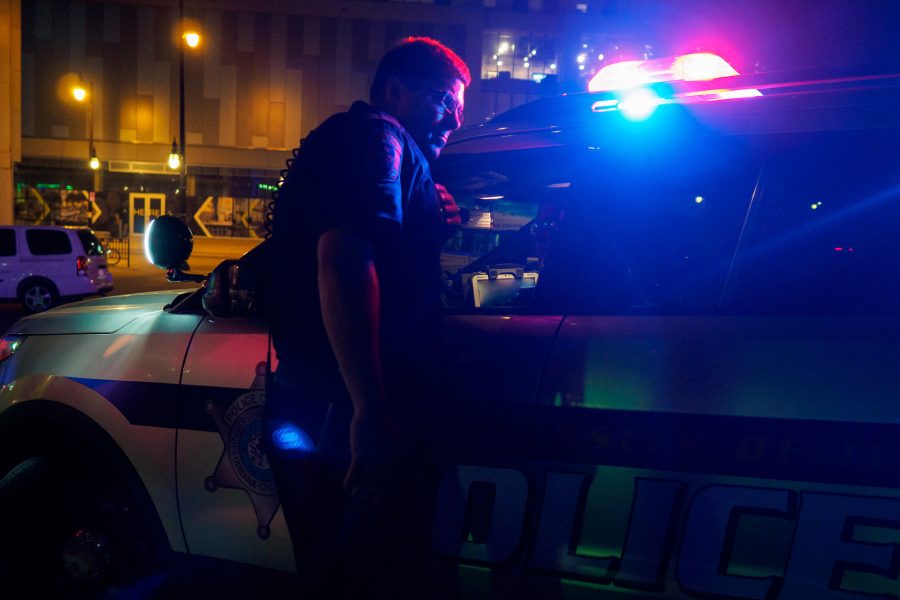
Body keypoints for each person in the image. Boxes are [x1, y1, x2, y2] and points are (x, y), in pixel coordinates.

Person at [265, 37, 470, 598]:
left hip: (328, 401)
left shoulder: (378, 146)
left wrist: (431, 214)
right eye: (443, 101)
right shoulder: (376, 136)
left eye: (459, 110)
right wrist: (370, 411)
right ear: (395, 90)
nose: (453, 119)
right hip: (344, 408)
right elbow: (344, 263)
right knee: (365, 573)